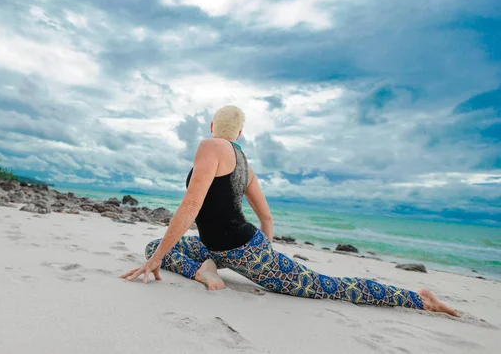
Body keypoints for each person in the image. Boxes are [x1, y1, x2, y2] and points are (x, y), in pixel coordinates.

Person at [120, 105, 459, 316]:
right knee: (155, 247)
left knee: (327, 286)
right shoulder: (244, 164)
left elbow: (192, 204)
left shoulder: (210, 146)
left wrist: (155, 262)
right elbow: (266, 217)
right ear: (239, 132)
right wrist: (264, 251)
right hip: (225, 248)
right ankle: (204, 270)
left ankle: (418, 298)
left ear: (213, 126)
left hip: (237, 249)